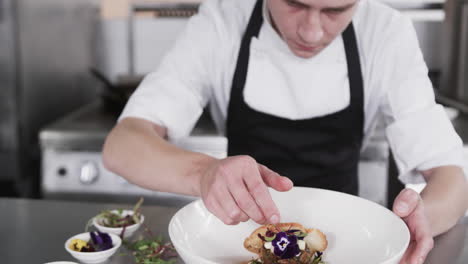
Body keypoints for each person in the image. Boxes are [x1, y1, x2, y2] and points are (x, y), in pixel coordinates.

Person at [102, 0, 468, 263]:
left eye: (335, 11)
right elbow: (123, 145)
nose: (311, 31)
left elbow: (451, 174)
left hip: (341, 245)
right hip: (235, 242)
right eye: (294, 4)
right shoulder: (221, 21)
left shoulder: (385, 32)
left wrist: (424, 217)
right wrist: (203, 173)